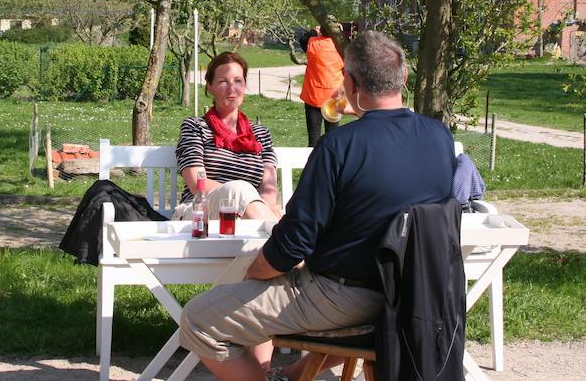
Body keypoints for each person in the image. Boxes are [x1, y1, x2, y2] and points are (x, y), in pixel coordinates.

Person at [179, 31, 455, 380]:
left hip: (342, 295)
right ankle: (292, 375)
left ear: (350, 84)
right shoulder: (439, 138)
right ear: (403, 79)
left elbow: (292, 244)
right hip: (414, 295)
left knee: (198, 320)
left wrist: (254, 273)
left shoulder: (339, 146)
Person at [173, 51, 282, 222]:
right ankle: (283, 243)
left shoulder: (261, 134)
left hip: (247, 217)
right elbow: (197, 185)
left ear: (244, 85)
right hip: (199, 213)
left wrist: (259, 202)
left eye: (238, 81)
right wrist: (238, 195)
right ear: (209, 86)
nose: (232, 88)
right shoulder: (195, 127)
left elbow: (269, 189)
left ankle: (278, 241)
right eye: (223, 81)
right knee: (239, 189)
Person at [299, 22, 344, 147]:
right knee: (333, 137)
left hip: (313, 97)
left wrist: (315, 31)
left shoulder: (312, 43)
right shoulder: (341, 48)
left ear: (322, 31)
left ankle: (313, 165)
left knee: (313, 139)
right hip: (334, 98)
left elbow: (303, 39)